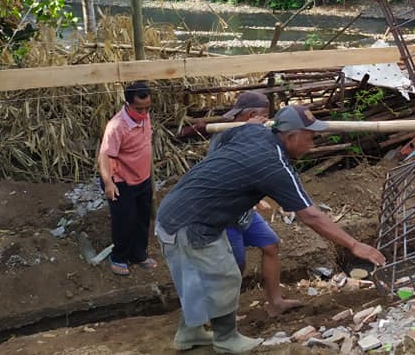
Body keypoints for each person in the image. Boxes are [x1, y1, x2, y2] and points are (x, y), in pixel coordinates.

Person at [156, 105, 386, 353]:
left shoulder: (255, 133)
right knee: (224, 277)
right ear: (290, 136)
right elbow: (310, 215)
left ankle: (189, 334)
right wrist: (353, 244)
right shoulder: (273, 165)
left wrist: (227, 170)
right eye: (309, 137)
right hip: (189, 223)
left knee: (203, 278)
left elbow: (229, 135)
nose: (312, 144)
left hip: (188, 212)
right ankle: (226, 338)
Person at [211, 91, 302, 317]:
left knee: (270, 244)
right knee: (236, 264)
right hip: (225, 212)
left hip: (244, 211)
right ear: (253, 114)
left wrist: (257, 198)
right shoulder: (224, 137)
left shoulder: (251, 136)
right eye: (265, 116)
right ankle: (221, 315)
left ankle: (276, 302)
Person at [98, 81, 157, 276]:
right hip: (121, 181)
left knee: (142, 218)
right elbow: (105, 156)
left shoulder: (145, 117)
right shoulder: (116, 127)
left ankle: (139, 255)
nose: (144, 112)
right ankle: (119, 257)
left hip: (142, 178)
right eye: (139, 109)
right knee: (124, 221)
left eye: (147, 108)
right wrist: (108, 183)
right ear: (127, 104)